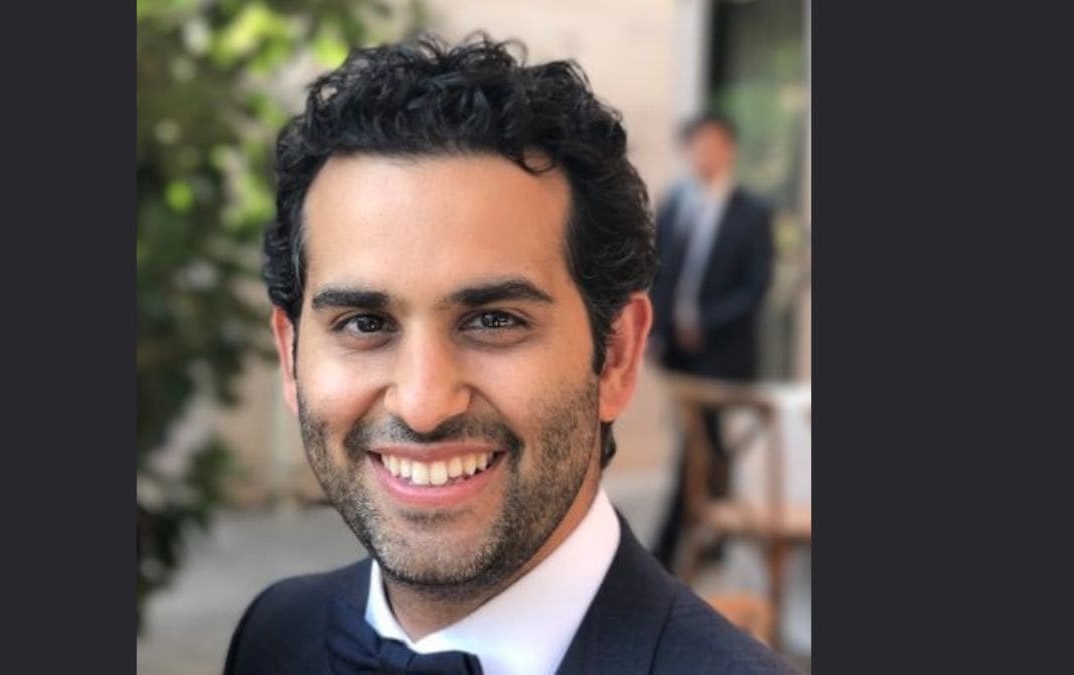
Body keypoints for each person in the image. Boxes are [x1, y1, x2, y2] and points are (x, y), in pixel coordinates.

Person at [225, 34, 796, 674]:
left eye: (493, 321)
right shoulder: (274, 636)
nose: (423, 404)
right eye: (364, 323)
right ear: (290, 356)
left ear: (616, 356)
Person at [648, 113, 775, 569]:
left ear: (730, 150)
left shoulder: (753, 212)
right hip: (678, 352)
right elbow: (656, 272)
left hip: (723, 351)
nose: (705, 154)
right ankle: (713, 534)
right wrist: (657, 330)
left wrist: (705, 322)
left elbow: (756, 286)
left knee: (701, 445)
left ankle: (669, 544)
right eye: (697, 145)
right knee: (707, 444)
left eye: (714, 145)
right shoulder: (674, 205)